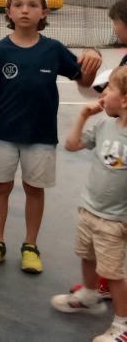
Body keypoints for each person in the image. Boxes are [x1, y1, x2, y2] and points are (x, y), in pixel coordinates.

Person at [0, 0, 101, 273]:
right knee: (1, 187)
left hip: (42, 137)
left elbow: (83, 79)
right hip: (3, 134)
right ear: (8, 12)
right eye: (18, 5)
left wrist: (92, 57)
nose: (25, 10)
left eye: (32, 5)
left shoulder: (54, 50)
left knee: (34, 189)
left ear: (44, 13)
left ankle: (30, 245)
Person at [52, 66, 127, 342]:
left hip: (115, 219)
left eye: (108, 90)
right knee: (87, 255)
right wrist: (83, 116)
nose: (102, 94)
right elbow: (72, 145)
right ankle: (89, 295)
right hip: (90, 208)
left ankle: (122, 325)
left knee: (113, 273)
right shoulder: (105, 124)